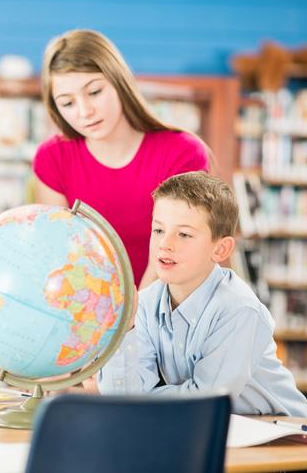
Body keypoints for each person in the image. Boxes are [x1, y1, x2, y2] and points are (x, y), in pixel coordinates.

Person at [98, 172, 307, 417]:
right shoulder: (145, 305)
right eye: (158, 230)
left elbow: (205, 401)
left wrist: (143, 398)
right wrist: (126, 329)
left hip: (283, 435)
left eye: (184, 234)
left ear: (220, 249)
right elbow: (122, 398)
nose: (165, 244)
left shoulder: (239, 310)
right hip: (208, 430)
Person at [33, 29, 209, 290]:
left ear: (119, 81)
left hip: (165, 311)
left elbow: (176, 252)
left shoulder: (182, 153)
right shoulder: (52, 159)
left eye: (94, 92)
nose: (84, 111)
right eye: (67, 103)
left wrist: (134, 321)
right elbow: (58, 255)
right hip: (84, 311)